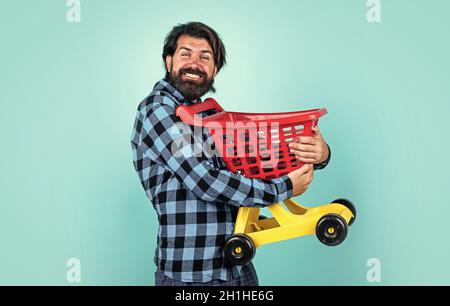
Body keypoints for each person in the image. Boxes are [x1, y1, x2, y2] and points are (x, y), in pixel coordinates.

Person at [130, 22, 331, 286]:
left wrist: (318, 154)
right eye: (185, 53)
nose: (195, 63)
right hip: (193, 274)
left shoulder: (204, 112)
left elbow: (251, 160)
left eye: (205, 57)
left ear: (214, 69)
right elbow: (204, 180)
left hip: (236, 264)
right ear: (169, 61)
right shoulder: (158, 110)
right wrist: (285, 188)